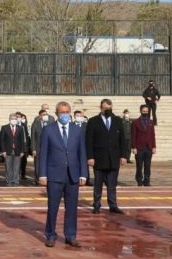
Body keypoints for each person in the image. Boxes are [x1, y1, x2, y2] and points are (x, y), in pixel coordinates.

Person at [39, 101, 87, 248]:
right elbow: (43, 153)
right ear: (57, 113)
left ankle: (71, 235)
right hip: (54, 175)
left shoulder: (77, 130)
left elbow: (82, 153)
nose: (65, 115)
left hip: (73, 175)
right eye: (62, 112)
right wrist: (42, 174)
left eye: (67, 112)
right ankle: (51, 235)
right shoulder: (48, 130)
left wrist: (83, 174)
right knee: (52, 207)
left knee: (72, 208)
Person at [86, 99, 128, 215]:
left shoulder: (117, 120)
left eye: (110, 108)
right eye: (106, 108)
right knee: (98, 184)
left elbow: (122, 140)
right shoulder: (93, 121)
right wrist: (90, 157)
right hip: (99, 158)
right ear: (101, 108)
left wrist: (124, 156)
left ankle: (113, 205)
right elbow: (89, 141)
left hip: (113, 158)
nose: (108, 110)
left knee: (112, 184)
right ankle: (97, 205)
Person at [131, 105, 156, 186]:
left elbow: (153, 135)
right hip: (139, 148)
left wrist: (154, 146)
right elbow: (133, 135)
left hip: (148, 147)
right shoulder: (135, 122)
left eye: (146, 111)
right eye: (144, 111)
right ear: (140, 111)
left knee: (147, 166)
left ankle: (147, 181)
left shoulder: (151, 122)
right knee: (139, 166)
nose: (145, 112)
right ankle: (139, 180)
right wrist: (133, 147)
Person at [1, 113, 26, 187]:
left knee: (16, 167)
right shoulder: (4, 127)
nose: (14, 120)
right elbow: (2, 140)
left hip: (17, 150)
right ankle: (9, 181)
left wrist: (22, 151)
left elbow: (22, 140)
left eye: (15, 119)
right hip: (7, 150)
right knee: (8, 167)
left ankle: (16, 181)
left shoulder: (20, 128)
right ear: (9, 120)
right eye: (12, 119)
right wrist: (3, 151)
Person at [30, 108, 51, 185]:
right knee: (38, 164)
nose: (45, 116)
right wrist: (33, 149)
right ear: (39, 116)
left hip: (49, 148)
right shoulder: (36, 123)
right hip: (38, 147)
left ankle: (47, 179)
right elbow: (33, 137)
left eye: (46, 115)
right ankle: (37, 179)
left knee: (48, 164)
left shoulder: (50, 123)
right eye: (43, 115)